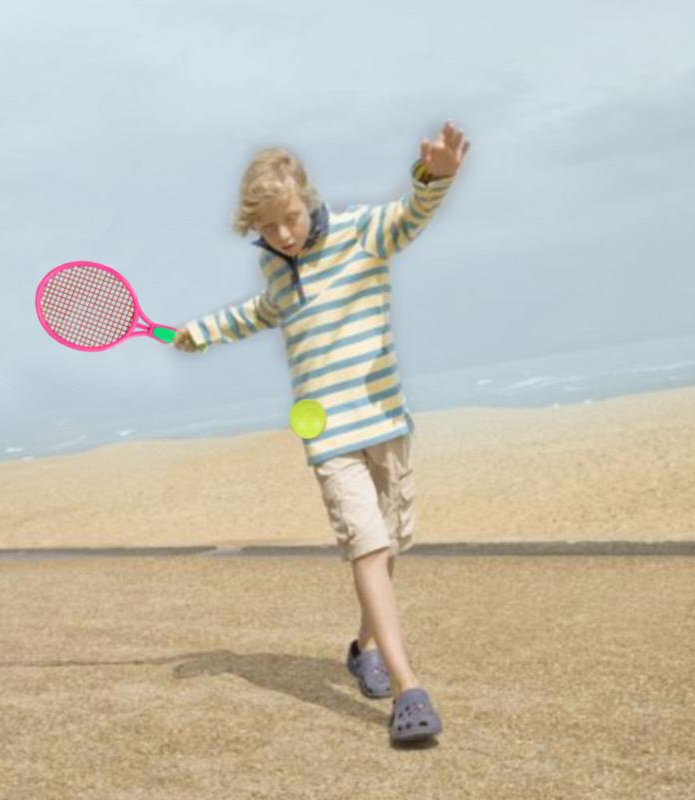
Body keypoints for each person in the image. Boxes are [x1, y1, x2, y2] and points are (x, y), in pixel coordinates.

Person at [172, 121, 470, 744]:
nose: (283, 234)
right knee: (366, 547)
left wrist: (435, 174)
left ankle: (363, 646)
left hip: (386, 419)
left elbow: (412, 215)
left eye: (290, 218)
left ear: (307, 199)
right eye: (269, 227)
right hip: (330, 438)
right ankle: (407, 688)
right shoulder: (278, 276)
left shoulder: (363, 234)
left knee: (390, 547)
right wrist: (199, 332)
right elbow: (253, 314)